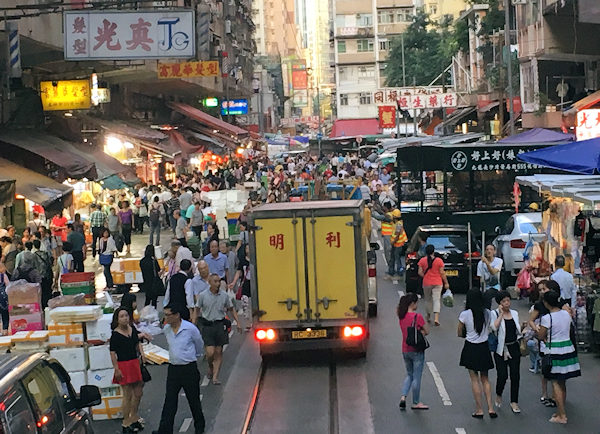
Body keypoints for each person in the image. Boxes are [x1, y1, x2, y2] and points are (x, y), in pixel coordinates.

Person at [153, 304, 205, 434]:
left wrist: (194, 356)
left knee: (193, 400)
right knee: (170, 400)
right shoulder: (167, 329)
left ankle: (199, 427)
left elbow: (199, 344)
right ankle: (164, 430)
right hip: (174, 369)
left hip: (189, 368)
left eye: (168, 315)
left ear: (176, 315)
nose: (165, 318)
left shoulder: (190, 329)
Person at [538, 290, 581, 424]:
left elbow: (541, 335)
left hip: (554, 350)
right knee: (563, 382)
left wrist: (543, 338)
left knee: (555, 382)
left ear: (546, 303)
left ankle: (562, 415)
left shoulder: (547, 318)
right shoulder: (566, 314)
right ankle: (560, 411)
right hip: (568, 348)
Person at [196, 274, 241, 385]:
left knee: (219, 351)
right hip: (207, 325)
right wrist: (194, 323)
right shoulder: (203, 295)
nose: (218, 284)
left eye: (219, 281)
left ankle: (215, 377)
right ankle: (211, 366)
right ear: (210, 282)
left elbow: (231, 309)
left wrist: (238, 323)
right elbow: (197, 309)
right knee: (210, 353)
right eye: (215, 281)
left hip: (220, 325)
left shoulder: (224, 296)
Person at [458, 290, 496, 419]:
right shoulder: (487, 313)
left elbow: (459, 333)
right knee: (485, 379)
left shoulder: (465, 314)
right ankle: (491, 408)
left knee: (474, 380)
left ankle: (479, 409)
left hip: (471, 347)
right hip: (484, 347)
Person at [109, 307, 145, 433]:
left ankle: (134, 416)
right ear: (117, 319)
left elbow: (136, 343)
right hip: (124, 365)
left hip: (135, 363)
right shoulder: (115, 334)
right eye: (121, 316)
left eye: (126, 315)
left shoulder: (132, 330)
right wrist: (116, 369)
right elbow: (113, 353)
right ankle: (126, 422)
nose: (125, 318)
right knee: (127, 395)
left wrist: (142, 355)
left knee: (138, 393)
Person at [490, 290, 522, 414]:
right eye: (504, 301)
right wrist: (501, 314)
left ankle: (514, 401)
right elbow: (493, 327)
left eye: (508, 300)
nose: (507, 303)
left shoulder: (515, 313)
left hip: (513, 347)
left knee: (515, 376)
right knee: (502, 375)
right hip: (501, 349)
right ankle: (499, 393)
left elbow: (517, 330)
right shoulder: (495, 313)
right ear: (500, 303)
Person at [397, 292, 429, 410]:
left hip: (405, 349)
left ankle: (403, 396)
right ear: (412, 303)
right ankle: (416, 402)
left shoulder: (401, 316)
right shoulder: (417, 317)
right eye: (416, 303)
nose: (417, 305)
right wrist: (421, 332)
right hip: (416, 350)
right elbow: (427, 331)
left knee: (409, 375)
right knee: (417, 377)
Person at [417, 244, 449, 326]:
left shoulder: (422, 261)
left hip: (427, 283)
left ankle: (428, 315)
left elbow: (419, 272)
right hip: (437, 282)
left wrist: (425, 276)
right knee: (436, 299)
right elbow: (442, 273)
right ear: (433, 251)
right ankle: (436, 318)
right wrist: (446, 282)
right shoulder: (439, 261)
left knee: (428, 300)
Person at [228, 245, 252, 331]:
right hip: (245, 284)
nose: (248, 250)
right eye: (246, 248)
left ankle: (255, 320)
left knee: (254, 303)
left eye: (249, 248)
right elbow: (239, 272)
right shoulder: (243, 260)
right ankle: (248, 322)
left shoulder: (256, 259)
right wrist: (234, 282)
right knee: (245, 303)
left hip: (254, 284)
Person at [478, 244, 503, 309]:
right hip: (484, 286)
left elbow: (493, 272)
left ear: (494, 252)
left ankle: (487, 312)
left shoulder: (498, 261)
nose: (489, 251)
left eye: (491, 249)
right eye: (487, 250)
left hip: (495, 287)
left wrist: (487, 263)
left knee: (488, 294)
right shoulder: (480, 263)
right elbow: (480, 277)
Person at [33, 239, 53, 308]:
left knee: (41, 291)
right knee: (47, 290)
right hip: (47, 275)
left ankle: (43, 304)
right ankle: (48, 303)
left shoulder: (33, 255)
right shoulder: (45, 253)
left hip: (39, 276)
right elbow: (49, 263)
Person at [388, 209, 407, 278]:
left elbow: (397, 235)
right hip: (395, 244)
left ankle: (400, 271)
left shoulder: (399, 224)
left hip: (398, 244)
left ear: (395, 217)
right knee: (392, 257)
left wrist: (393, 242)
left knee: (397, 258)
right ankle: (391, 271)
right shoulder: (395, 222)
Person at [0, 263, 8, 335]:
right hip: (2, 298)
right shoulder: (3, 276)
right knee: (5, 314)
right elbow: (8, 286)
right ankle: (5, 330)